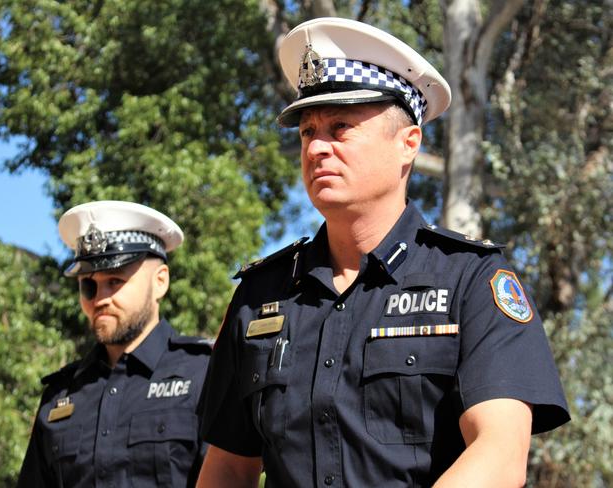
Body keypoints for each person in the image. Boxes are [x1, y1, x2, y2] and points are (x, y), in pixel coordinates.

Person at [197, 17, 570, 488]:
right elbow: (228, 467)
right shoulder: (259, 295)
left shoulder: (471, 280)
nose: (317, 148)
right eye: (308, 131)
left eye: (340, 127)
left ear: (407, 144)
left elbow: (499, 452)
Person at [18, 200, 211, 488]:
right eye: (89, 286)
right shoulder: (60, 394)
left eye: (115, 281)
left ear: (160, 282)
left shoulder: (203, 373)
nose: (100, 298)